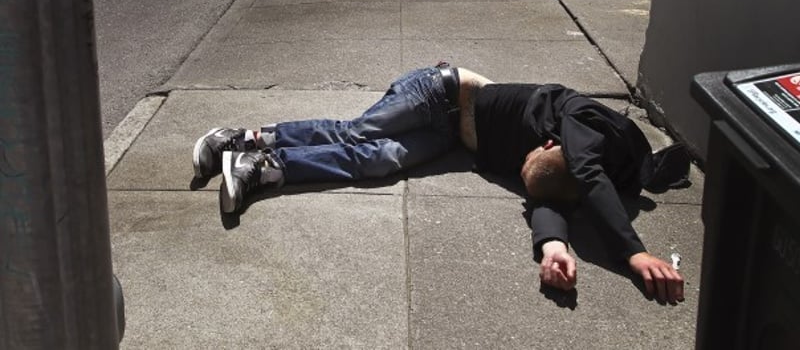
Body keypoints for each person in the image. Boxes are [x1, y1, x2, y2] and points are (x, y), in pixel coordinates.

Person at [192, 64, 689, 302]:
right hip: (441, 93)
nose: (532, 151)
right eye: (541, 149)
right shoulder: (586, 120)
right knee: (358, 131)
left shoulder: (580, 167)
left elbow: (552, 193)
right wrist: (632, 254)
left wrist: (553, 247)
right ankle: (244, 137)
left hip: (452, 138)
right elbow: (582, 175)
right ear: (561, 145)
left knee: (378, 163)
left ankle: (262, 168)